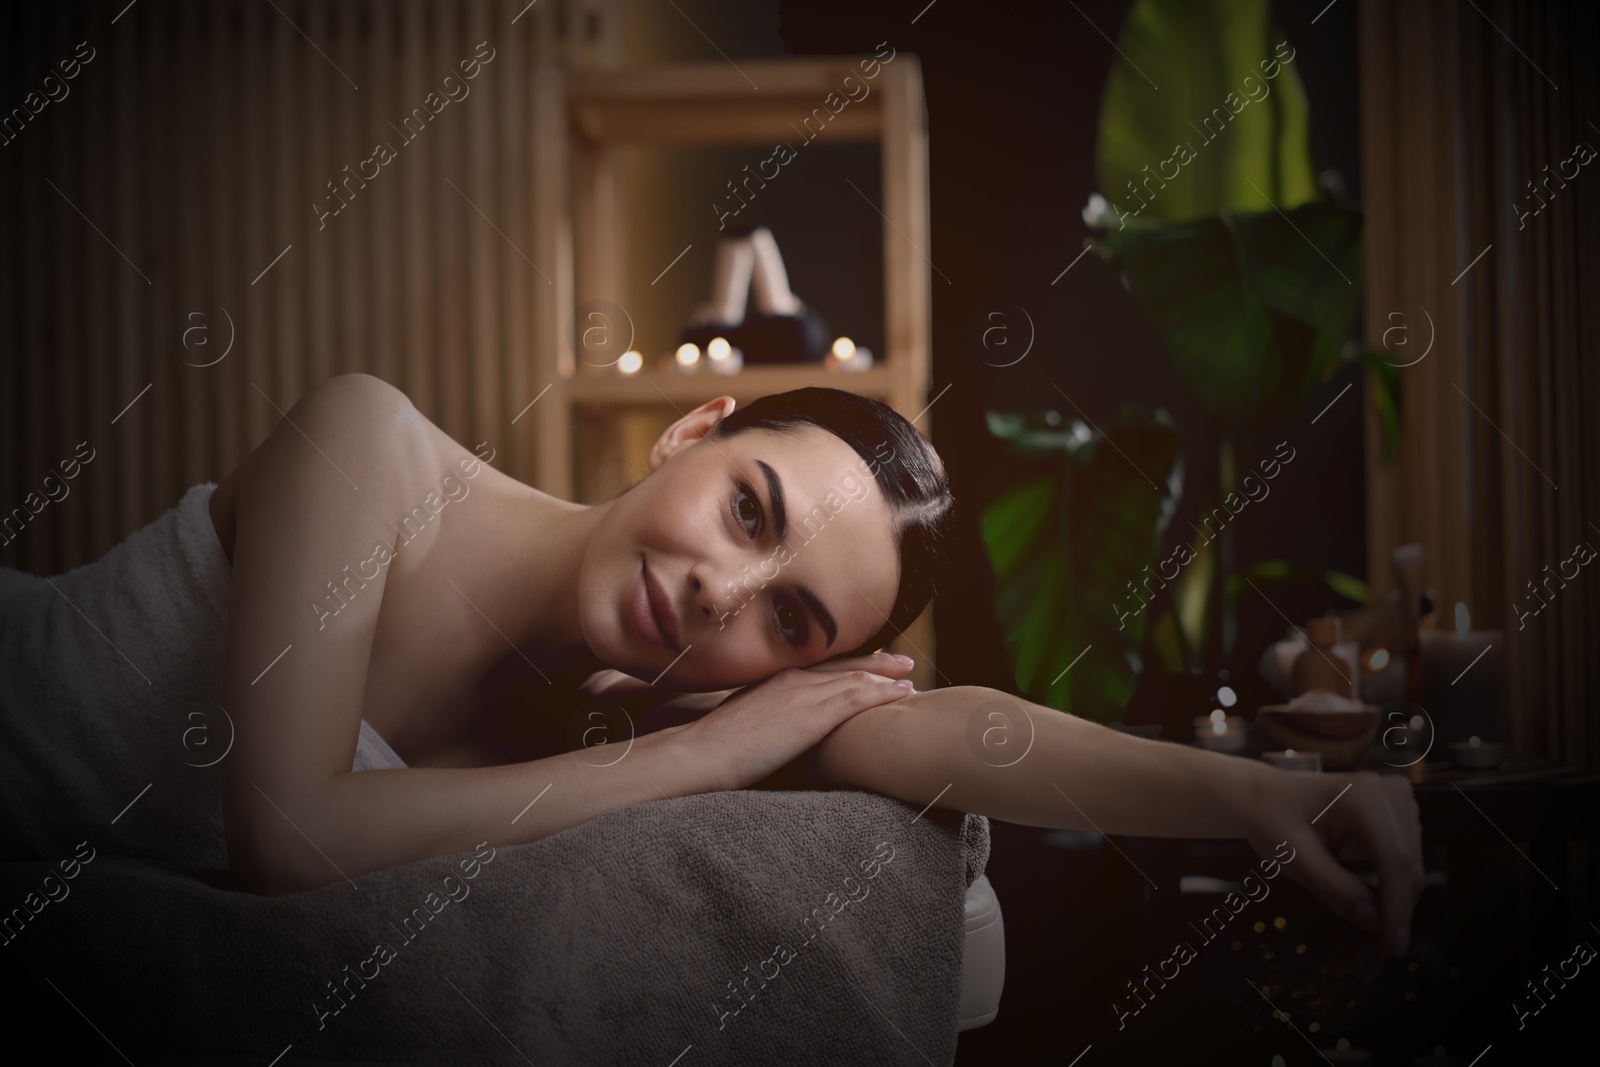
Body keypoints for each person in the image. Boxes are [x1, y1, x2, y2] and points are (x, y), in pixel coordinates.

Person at [55, 374, 1433, 982]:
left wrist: (1260, 795)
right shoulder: (370, 450)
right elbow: (286, 836)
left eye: (790, 624)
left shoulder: (653, 689)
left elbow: (943, 731)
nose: (723, 589)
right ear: (691, 434)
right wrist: (680, 762)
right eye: (750, 510)